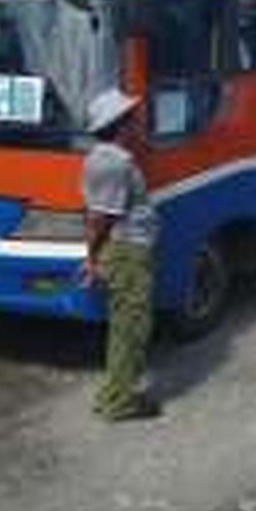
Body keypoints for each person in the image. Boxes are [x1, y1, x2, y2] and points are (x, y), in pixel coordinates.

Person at [82, 89, 160, 422]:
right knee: (132, 327)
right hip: (127, 252)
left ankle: (114, 393)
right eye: (131, 118)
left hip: (125, 249)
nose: (137, 123)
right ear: (120, 125)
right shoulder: (114, 163)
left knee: (123, 326)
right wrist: (91, 258)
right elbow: (100, 217)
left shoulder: (103, 157)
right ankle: (121, 402)